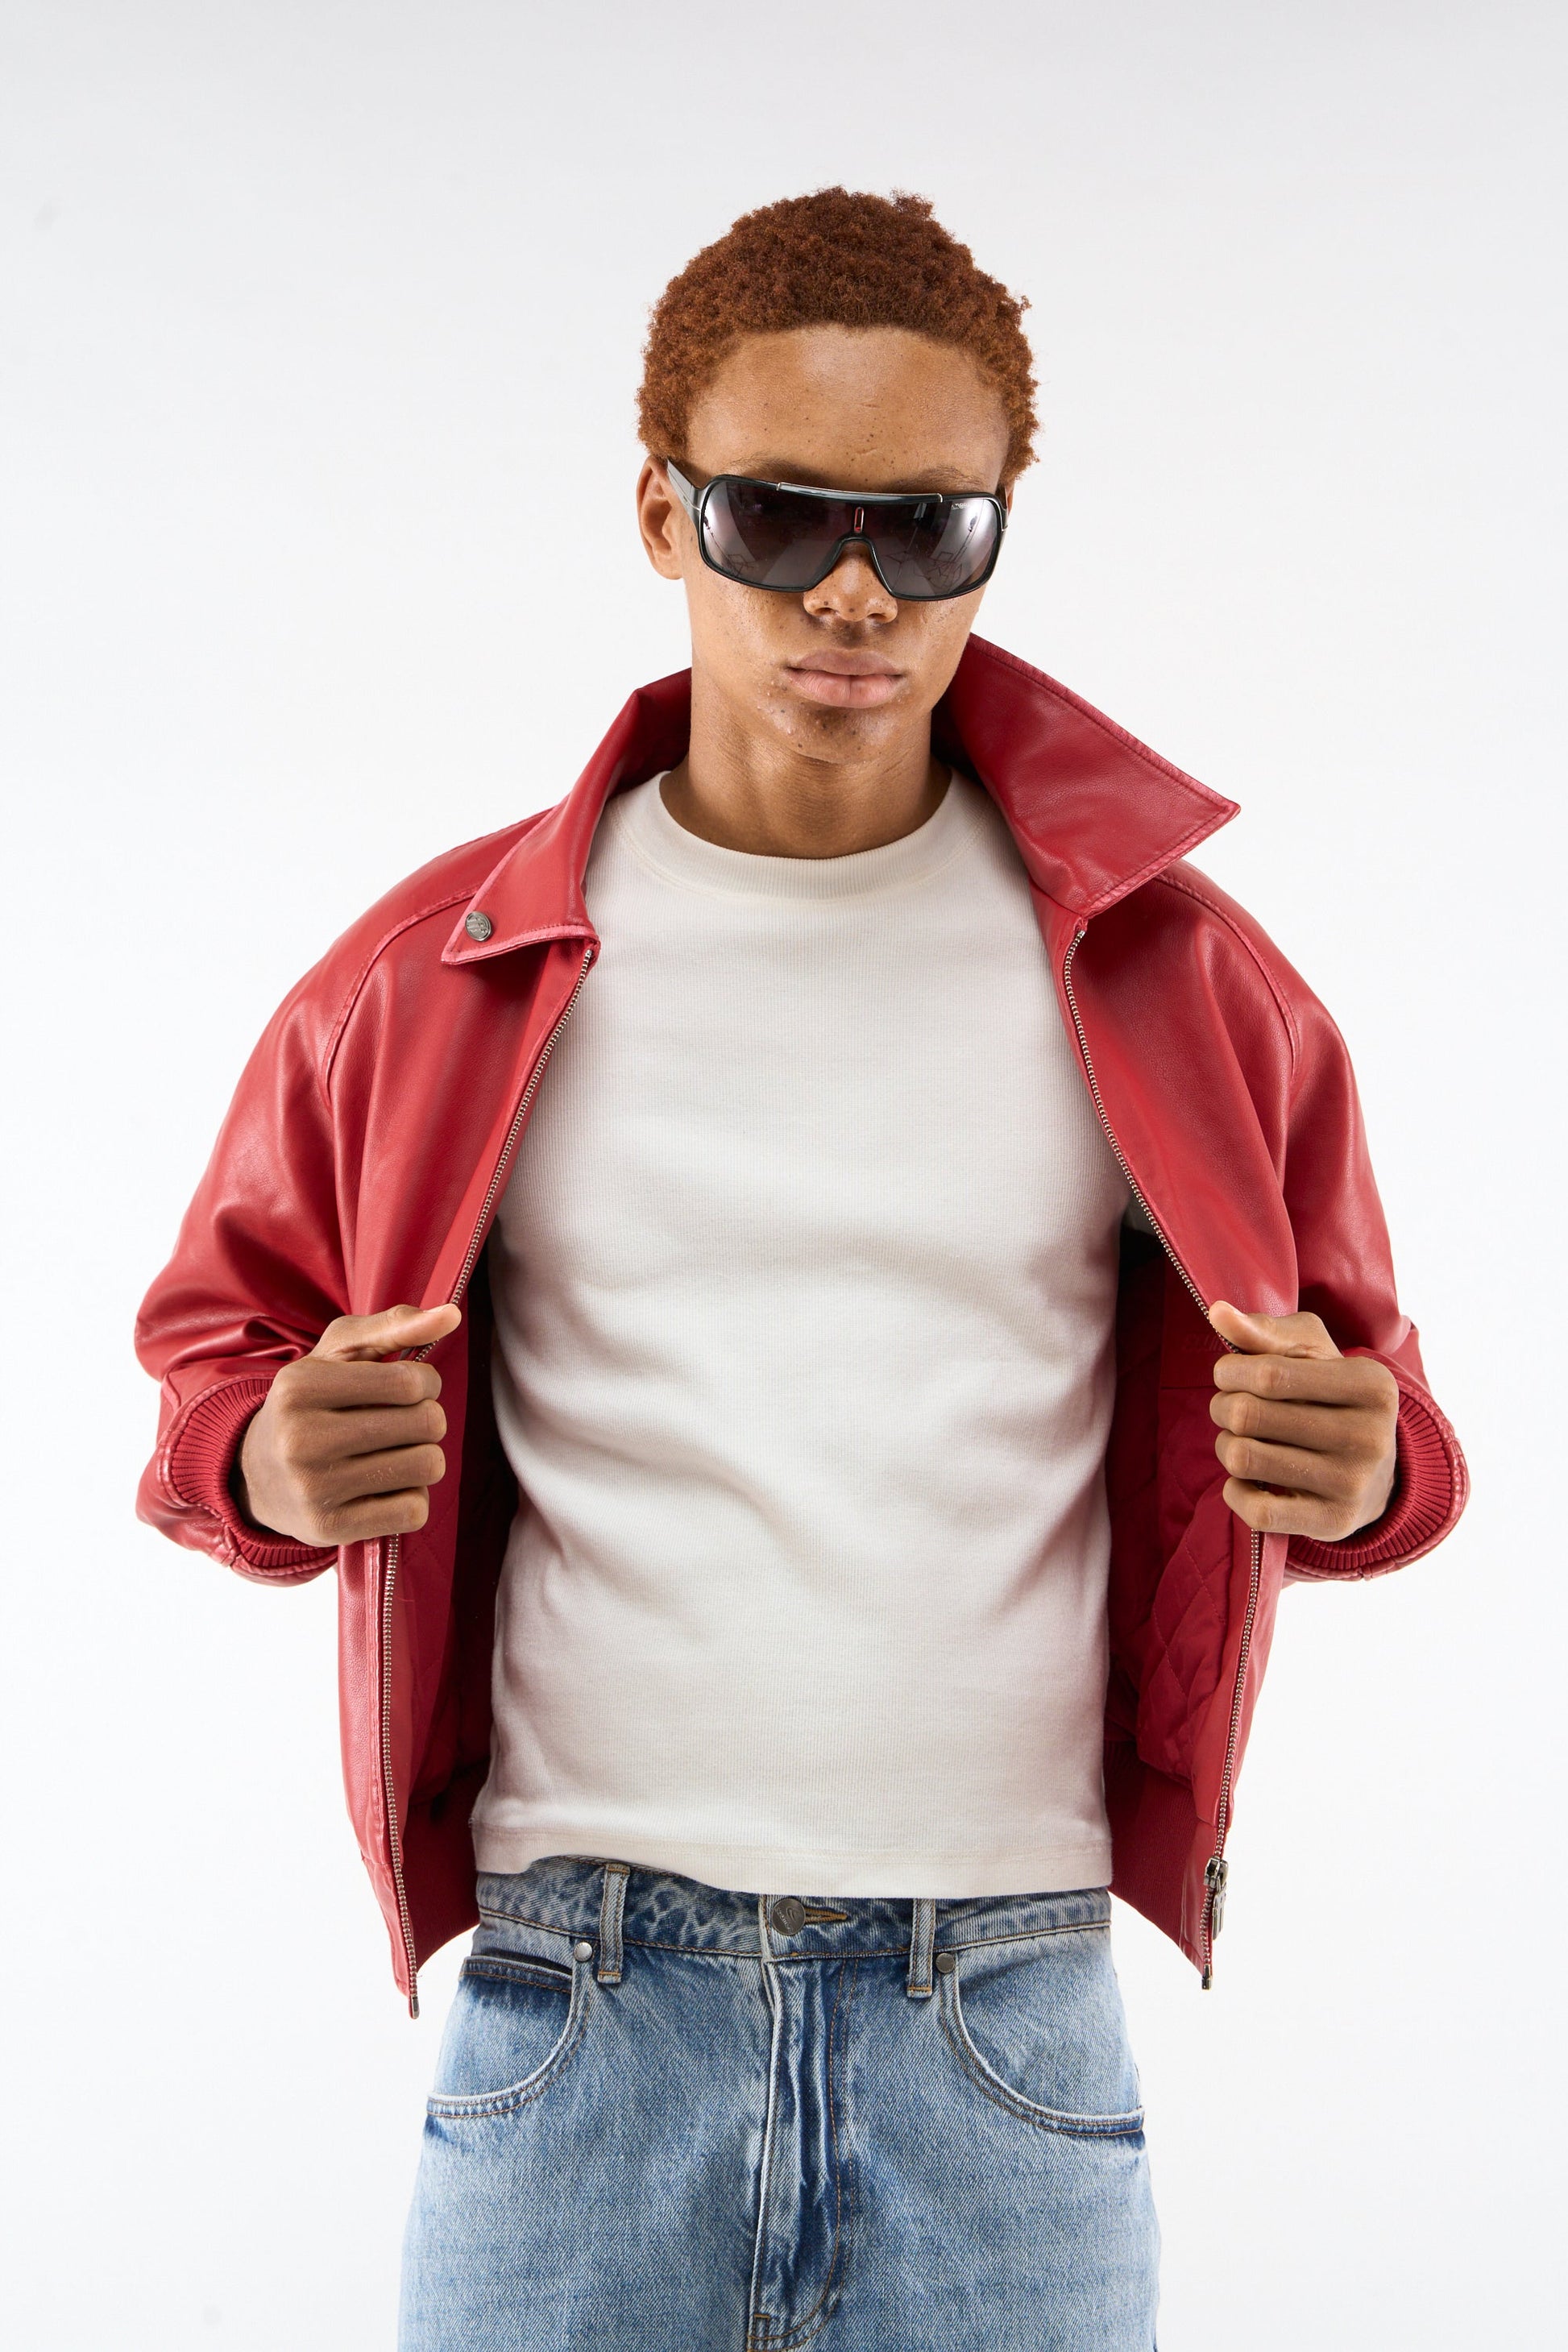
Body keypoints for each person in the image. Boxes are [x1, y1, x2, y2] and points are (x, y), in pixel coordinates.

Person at [135, 189, 1467, 2351]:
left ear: (994, 538)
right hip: (580, 2000)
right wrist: (266, 1463)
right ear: (660, 515)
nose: (853, 589)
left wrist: (1371, 1468)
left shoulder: (1179, 979)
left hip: (1003, 2005)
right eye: (779, 516)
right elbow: (215, 1357)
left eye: (927, 529)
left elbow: (1385, 1420)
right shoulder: (440, 971)